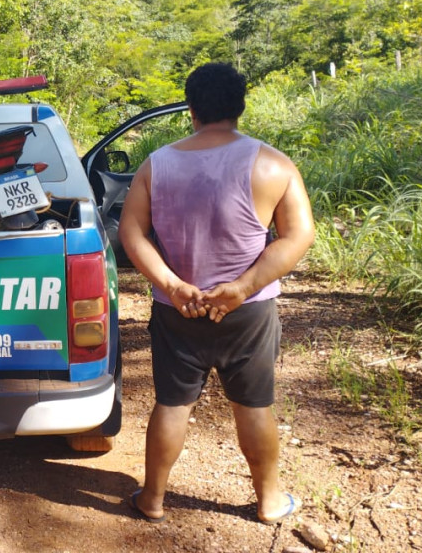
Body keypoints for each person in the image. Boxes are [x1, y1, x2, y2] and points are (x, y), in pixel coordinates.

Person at [119, 63, 315, 525]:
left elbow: (131, 232)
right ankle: (269, 501)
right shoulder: (273, 164)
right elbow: (298, 235)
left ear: (191, 109)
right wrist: (243, 287)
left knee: (172, 403)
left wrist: (171, 283)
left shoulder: (157, 164)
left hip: (177, 309)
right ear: (240, 106)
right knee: (254, 403)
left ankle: (152, 499)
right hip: (249, 310)